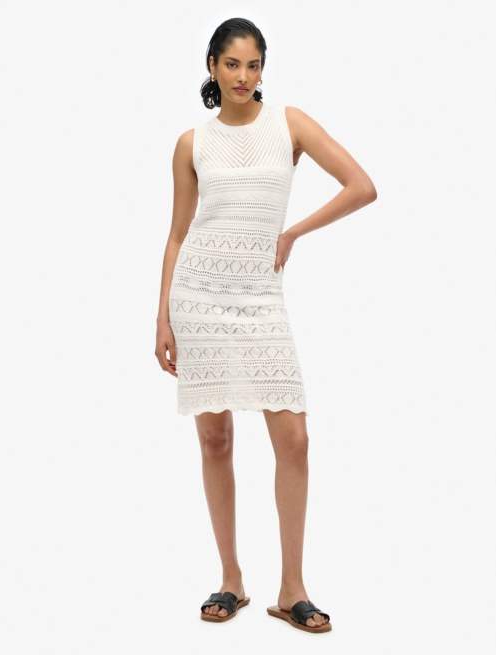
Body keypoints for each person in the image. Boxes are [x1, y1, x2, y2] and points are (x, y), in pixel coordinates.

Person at [155, 17, 377, 633]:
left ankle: (292, 588)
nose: (243, 77)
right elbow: (176, 235)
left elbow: (361, 186)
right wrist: (163, 316)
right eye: (232, 64)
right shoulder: (191, 143)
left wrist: (294, 232)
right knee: (215, 440)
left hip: (260, 300)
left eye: (253, 65)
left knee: (294, 439)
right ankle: (231, 579)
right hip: (199, 298)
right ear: (212, 66)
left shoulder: (289, 124)